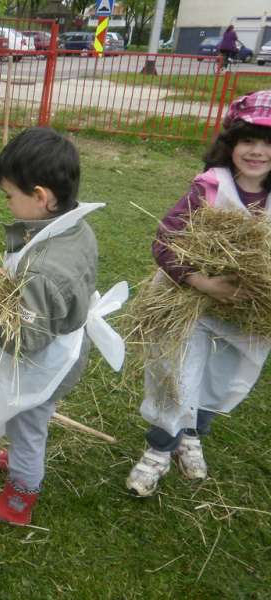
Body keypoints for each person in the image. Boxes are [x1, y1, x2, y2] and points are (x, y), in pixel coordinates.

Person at [0, 127, 126, 526]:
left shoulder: (48, 271)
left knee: (27, 422)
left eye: (9, 195)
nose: (6, 203)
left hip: (45, 358)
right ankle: (20, 460)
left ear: (41, 196)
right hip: (63, 337)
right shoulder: (73, 225)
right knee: (28, 421)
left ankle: (20, 498)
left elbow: (25, 339)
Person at [126, 91, 271, 497]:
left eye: (268, 143)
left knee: (221, 381)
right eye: (248, 140)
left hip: (245, 319)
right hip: (191, 308)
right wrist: (203, 282)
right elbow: (166, 239)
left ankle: (192, 435)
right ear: (231, 144)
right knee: (177, 377)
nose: (257, 151)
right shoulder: (210, 189)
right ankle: (159, 449)